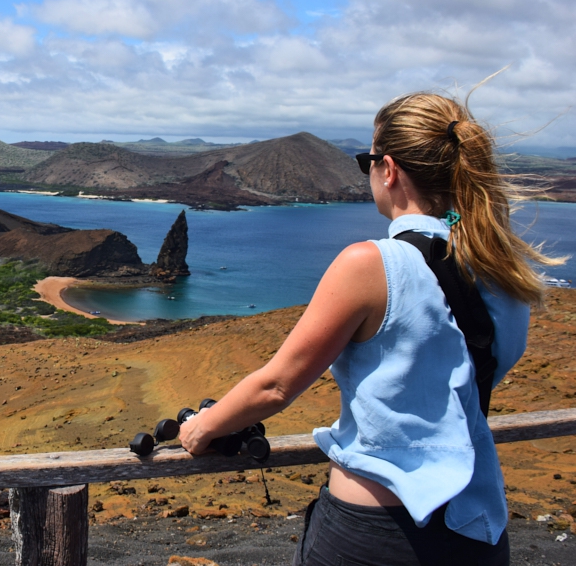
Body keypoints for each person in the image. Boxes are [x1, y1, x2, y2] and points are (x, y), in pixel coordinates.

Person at [178, 91, 565, 565]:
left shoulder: (371, 263)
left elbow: (277, 384)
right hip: (475, 531)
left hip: (374, 534)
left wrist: (201, 429)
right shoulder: (504, 270)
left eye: (368, 160)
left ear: (390, 169)